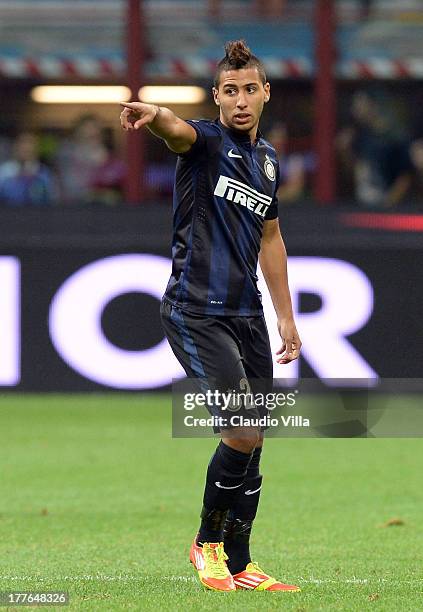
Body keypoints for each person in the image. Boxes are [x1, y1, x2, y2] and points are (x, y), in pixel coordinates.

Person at [120, 40, 301, 593]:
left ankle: (242, 564)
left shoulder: (268, 162)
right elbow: (177, 129)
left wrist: (286, 318)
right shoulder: (207, 141)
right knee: (242, 428)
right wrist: (156, 118)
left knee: (255, 437)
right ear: (216, 98)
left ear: (265, 93)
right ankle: (207, 545)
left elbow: (271, 238)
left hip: (247, 312)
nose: (241, 100)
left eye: (250, 89)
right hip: (196, 310)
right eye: (230, 91)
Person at [0, 132, 56, 207]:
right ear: (15, 147)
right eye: (22, 144)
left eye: (30, 144)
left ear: (36, 149)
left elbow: (50, 198)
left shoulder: (43, 173)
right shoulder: (4, 171)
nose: (26, 148)